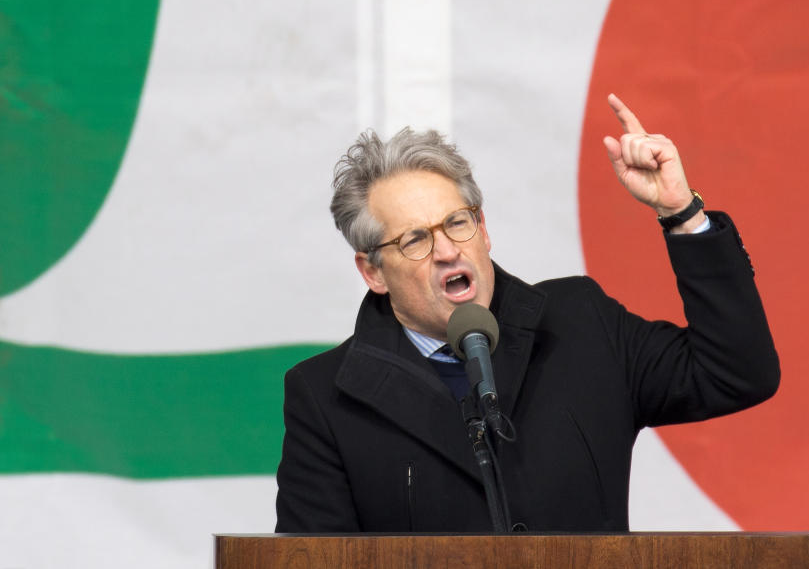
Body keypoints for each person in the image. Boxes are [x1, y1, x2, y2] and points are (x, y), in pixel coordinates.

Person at [274, 94, 779, 532]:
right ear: (373, 271)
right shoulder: (325, 398)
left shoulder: (581, 324)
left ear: (484, 228)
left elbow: (737, 374)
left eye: (457, 223)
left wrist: (681, 214)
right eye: (416, 240)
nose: (449, 250)